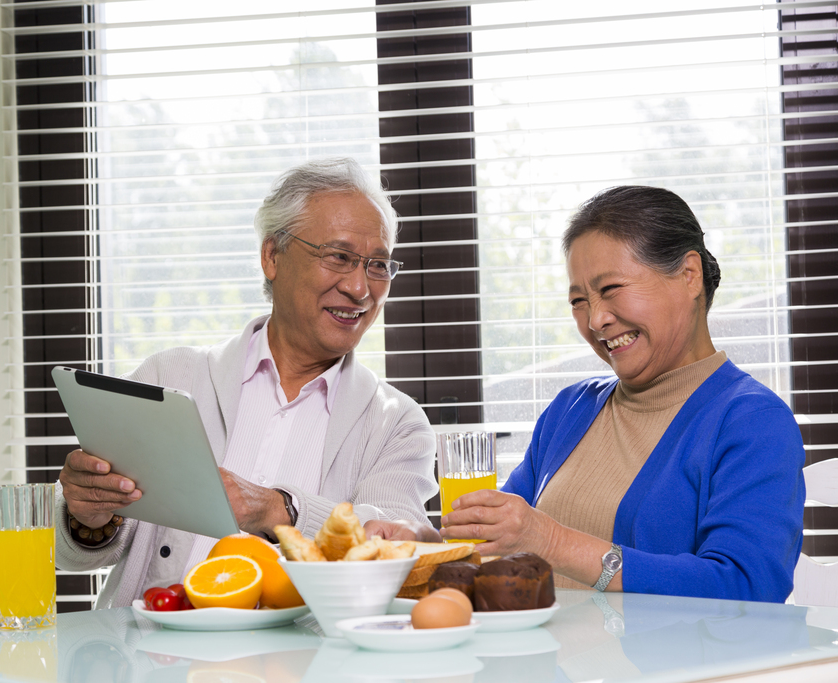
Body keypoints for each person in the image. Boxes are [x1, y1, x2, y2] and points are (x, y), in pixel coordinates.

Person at [54, 157, 439, 609]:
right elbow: (73, 556)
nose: (360, 288)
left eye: (378, 266)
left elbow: (398, 547)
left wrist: (282, 510)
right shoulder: (171, 376)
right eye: (339, 257)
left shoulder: (396, 423)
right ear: (272, 256)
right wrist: (89, 515)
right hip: (150, 658)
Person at [439, 186, 805, 602]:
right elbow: (496, 541)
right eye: (579, 300)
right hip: (546, 662)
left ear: (689, 275)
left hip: (673, 669)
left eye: (611, 289)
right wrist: (419, 547)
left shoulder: (751, 422)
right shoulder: (569, 410)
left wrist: (553, 541)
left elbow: (746, 587)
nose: (595, 319)